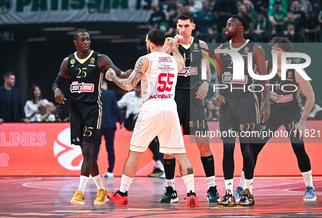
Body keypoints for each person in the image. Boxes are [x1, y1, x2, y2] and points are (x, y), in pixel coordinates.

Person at [106, 29, 198, 207]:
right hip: (170, 107)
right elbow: (181, 65)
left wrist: (113, 78)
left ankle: (123, 193)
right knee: (180, 153)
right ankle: (191, 193)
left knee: (135, 152)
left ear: (150, 43)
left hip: (152, 107)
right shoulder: (172, 59)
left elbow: (128, 85)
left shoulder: (145, 59)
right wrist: (173, 46)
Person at [52, 29, 130, 206]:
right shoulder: (68, 61)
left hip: (93, 109)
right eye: (83, 39)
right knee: (85, 153)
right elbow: (57, 82)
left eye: (88, 39)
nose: (86, 42)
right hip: (75, 110)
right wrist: (56, 89)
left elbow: (119, 72)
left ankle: (79, 192)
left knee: (88, 150)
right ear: (76, 42)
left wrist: (127, 75)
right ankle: (101, 190)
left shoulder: (100, 59)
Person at [238, 37, 317, 201]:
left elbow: (311, 97)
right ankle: (242, 186)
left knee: (298, 147)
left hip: (292, 113)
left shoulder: (296, 70)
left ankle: (310, 187)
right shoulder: (266, 66)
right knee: (253, 149)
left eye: (278, 50)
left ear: (287, 53)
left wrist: (302, 121)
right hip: (271, 113)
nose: (273, 52)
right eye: (272, 49)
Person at [160, 11, 220, 204]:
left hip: (195, 100)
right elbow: (157, 61)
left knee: (203, 145)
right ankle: (170, 189)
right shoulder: (169, 43)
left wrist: (206, 83)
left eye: (186, 26)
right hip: (173, 99)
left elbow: (207, 72)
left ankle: (212, 187)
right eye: (179, 26)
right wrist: (171, 47)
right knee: (169, 148)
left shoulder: (200, 45)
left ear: (193, 26)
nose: (183, 29)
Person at [214, 15, 270, 207]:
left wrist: (267, 103)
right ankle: (228, 192)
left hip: (248, 102)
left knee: (246, 149)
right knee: (227, 148)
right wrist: (219, 94)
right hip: (227, 104)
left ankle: (248, 192)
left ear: (240, 28)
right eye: (226, 23)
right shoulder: (221, 49)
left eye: (230, 24)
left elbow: (264, 78)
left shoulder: (255, 49)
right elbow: (219, 77)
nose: (226, 27)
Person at [117, 82, 165, 178]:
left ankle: (159, 165)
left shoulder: (148, 96)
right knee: (150, 141)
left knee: (153, 142)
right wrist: (120, 119)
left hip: (147, 123)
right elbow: (117, 106)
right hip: (132, 123)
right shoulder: (129, 96)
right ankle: (160, 164)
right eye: (135, 88)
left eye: (138, 88)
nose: (136, 90)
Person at [93, 80, 123, 179]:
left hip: (97, 125)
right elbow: (116, 108)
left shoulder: (94, 94)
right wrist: (121, 121)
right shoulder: (110, 94)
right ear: (104, 85)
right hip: (110, 125)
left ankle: (92, 172)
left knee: (95, 148)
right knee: (110, 148)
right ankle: (110, 172)